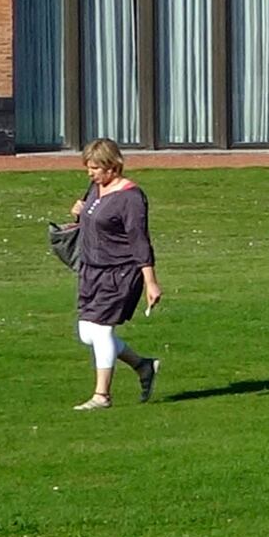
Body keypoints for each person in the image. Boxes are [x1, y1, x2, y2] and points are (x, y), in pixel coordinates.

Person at [64, 138, 161, 409]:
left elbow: (140, 241)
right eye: (88, 168)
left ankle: (101, 396)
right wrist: (78, 214)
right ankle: (143, 365)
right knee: (87, 333)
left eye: (95, 168)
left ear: (112, 166)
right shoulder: (96, 188)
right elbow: (90, 218)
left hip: (120, 272)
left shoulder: (131, 197)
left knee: (102, 330)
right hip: (91, 270)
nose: (90, 173)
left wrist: (150, 281)